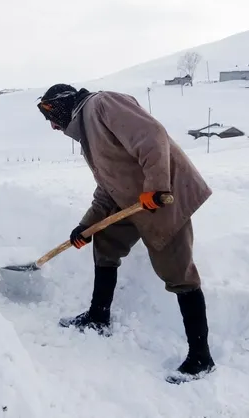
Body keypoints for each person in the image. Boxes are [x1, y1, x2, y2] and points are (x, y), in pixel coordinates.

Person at [36, 83, 215, 383]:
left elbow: (152, 136)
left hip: (165, 198)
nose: (53, 126)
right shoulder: (88, 136)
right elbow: (109, 189)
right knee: (105, 242)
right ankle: (98, 316)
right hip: (134, 203)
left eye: (52, 116)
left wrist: (156, 186)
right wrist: (86, 226)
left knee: (177, 272)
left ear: (64, 105)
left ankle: (201, 356)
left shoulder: (103, 105)